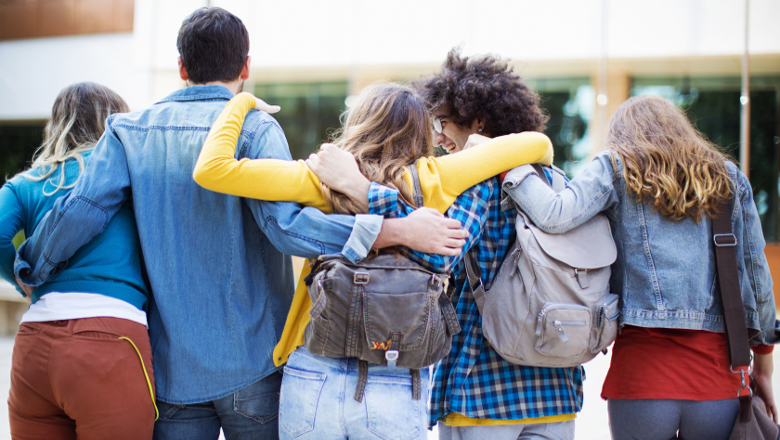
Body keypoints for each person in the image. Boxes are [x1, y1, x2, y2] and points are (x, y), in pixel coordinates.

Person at [13, 8, 465, 440]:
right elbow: (285, 229)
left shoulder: (128, 131)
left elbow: (83, 209)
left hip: (174, 370)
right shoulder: (255, 127)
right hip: (256, 364)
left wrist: (33, 266)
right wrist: (384, 231)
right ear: (245, 66)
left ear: (181, 66)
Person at [193, 81, 556, 439]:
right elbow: (539, 144)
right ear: (420, 135)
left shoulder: (318, 178)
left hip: (315, 368)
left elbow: (211, 169)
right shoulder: (437, 177)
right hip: (397, 370)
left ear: (359, 123)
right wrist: (477, 147)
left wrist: (240, 103)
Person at [502, 94, 780, 440]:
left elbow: (555, 215)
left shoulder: (616, 167)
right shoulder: (727, 179)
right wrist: (764, 366)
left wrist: (510, 168)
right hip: (717, 384)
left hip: (641, 380)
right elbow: (756, 277)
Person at [404, 49, 582, 440]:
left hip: (484, 387)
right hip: (558, 383)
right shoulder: (556, 181)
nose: (436, 137)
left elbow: (439, 255)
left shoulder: (475, 185)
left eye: (443, 122)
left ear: (480, 120)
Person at [0, 83, 156, 439]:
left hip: (34, 346)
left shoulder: (25, 184)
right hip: (111, 343)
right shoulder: (133, 180)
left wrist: (20, 280)